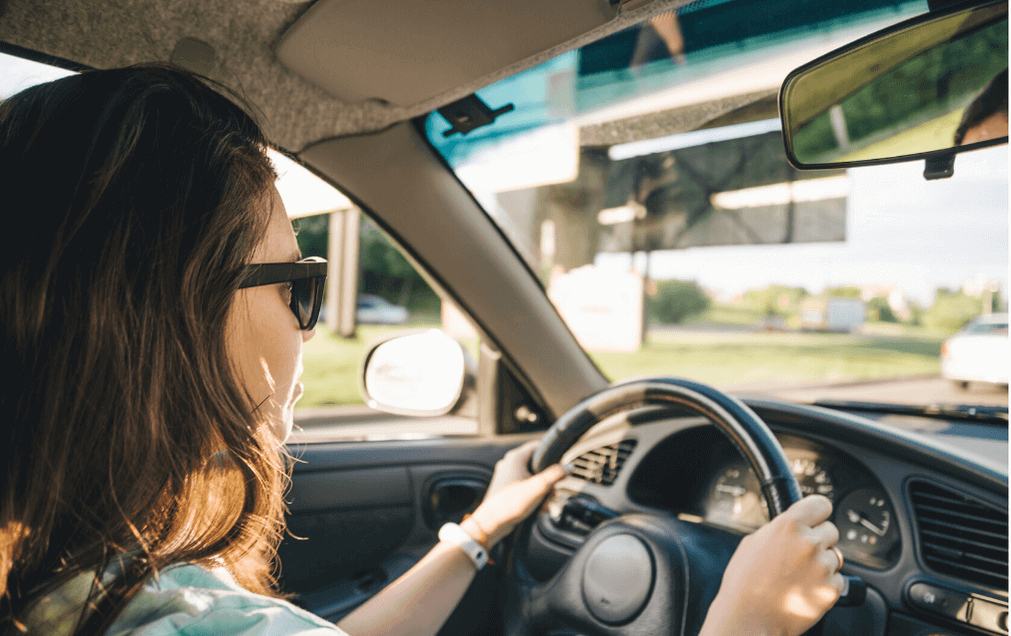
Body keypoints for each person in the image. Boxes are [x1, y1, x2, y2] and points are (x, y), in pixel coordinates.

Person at [0, 65, 844, 636]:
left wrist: (476, 534)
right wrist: (744, 621)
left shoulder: (78, 570)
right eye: (297, 282)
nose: (310, 323)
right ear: (171, 309)